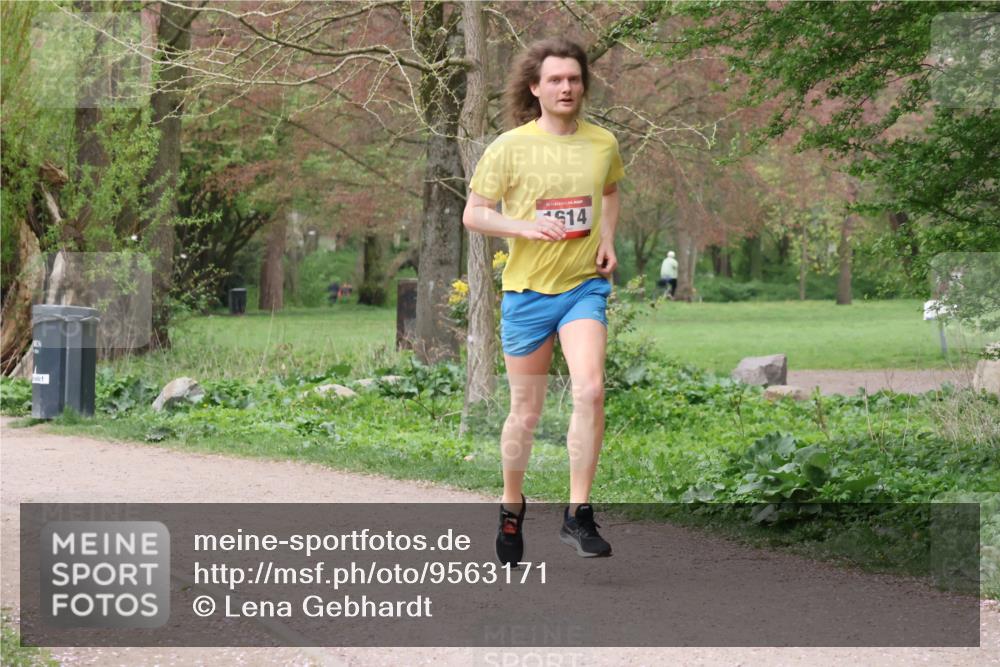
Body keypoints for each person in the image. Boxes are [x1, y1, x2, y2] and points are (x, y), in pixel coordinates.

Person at [462, 38, 624, 564]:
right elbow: (475, 213)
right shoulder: (509, 147)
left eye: (574, 79)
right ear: (535, 87)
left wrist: (607, 238)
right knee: (526, 414)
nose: (566, 87)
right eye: (555, 79)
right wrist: (525, 225)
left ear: (583, 86)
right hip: (528, 294)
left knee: (592, 389)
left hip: (582, 288)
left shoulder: (603, 143)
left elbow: (611, 190)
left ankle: (579, 514)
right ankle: (512, 505)